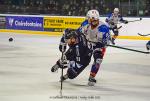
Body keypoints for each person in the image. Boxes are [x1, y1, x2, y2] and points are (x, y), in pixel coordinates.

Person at [78, 9, 111, 86]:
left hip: (99, 46)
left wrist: (104, 42)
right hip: (88, 43)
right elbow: (78, 32)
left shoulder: (103, 27)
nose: (87, 19)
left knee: (98, 59)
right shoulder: (85, 23)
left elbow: (105, 42)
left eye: (88, 18)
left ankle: (91, 76)